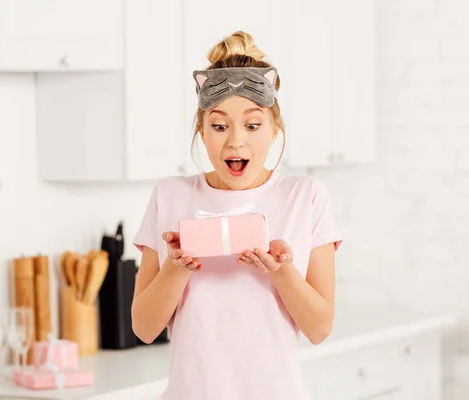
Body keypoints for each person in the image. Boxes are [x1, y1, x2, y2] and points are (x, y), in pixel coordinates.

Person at [131, 31, 343, 400]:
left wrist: (282, 271)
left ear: (275, 128)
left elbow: (319, 328)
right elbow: (144, 328)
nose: (234, 141)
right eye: (218, 125)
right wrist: (175, 267)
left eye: (253, 124)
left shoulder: (305, 197)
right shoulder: (170, 195)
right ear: (201, 129)